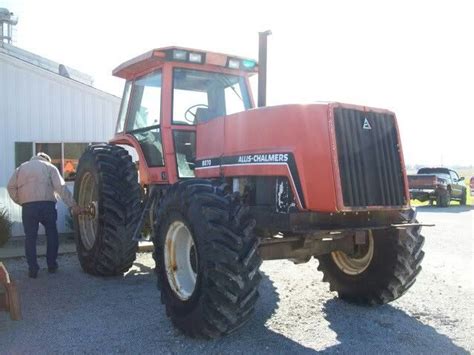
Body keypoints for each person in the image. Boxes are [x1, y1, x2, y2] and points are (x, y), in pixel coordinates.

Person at [7, 152, 84, 278]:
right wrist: (73, 205)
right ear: (47, 159)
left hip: (28, 207)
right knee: (52, 233)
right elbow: (61, 188)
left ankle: (33, 269)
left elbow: (11, 187)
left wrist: (21, 200)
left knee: (30, 238)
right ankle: (52, 265)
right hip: (47, 205)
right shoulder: (49, 167)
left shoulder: (21, 168)